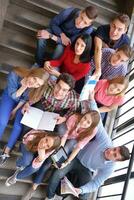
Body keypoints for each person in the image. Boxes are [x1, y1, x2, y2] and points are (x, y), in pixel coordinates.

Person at [43, 96, 130, 200]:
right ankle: (49, 196)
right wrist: (92, 99)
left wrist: (81, 190)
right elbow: (98, 122)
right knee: (57, 174)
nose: (111, 151)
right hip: (75, 158)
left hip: (87, 170)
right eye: (115, 149)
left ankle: (76, 192)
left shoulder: (110, 168)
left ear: (116, 160)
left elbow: (96, 183)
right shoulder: (106, 141)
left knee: (85, 196)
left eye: (115, 155)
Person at [0, 67, 49, 165]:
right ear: (32, 73)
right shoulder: (15, 74)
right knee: (2, 122)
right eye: (34, 79)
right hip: (10, 96)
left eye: (38, 84)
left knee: (18, 127)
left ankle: (6, 151)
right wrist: (24, 86)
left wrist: (14, 111)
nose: (34, 84)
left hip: (21, 103)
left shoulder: (35, 88)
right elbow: (13, 95)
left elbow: (24, 99)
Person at [93, 14, 130, 78]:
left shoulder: (126, 42)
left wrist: (104, 45)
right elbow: (97, 49)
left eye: (119, 29)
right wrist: (98, 69)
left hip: (109, 67)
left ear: (125, 31)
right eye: (113, 26)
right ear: (110, 23)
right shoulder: (102, 29)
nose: (114, 32)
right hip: (94, 59)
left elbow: (122, 59)